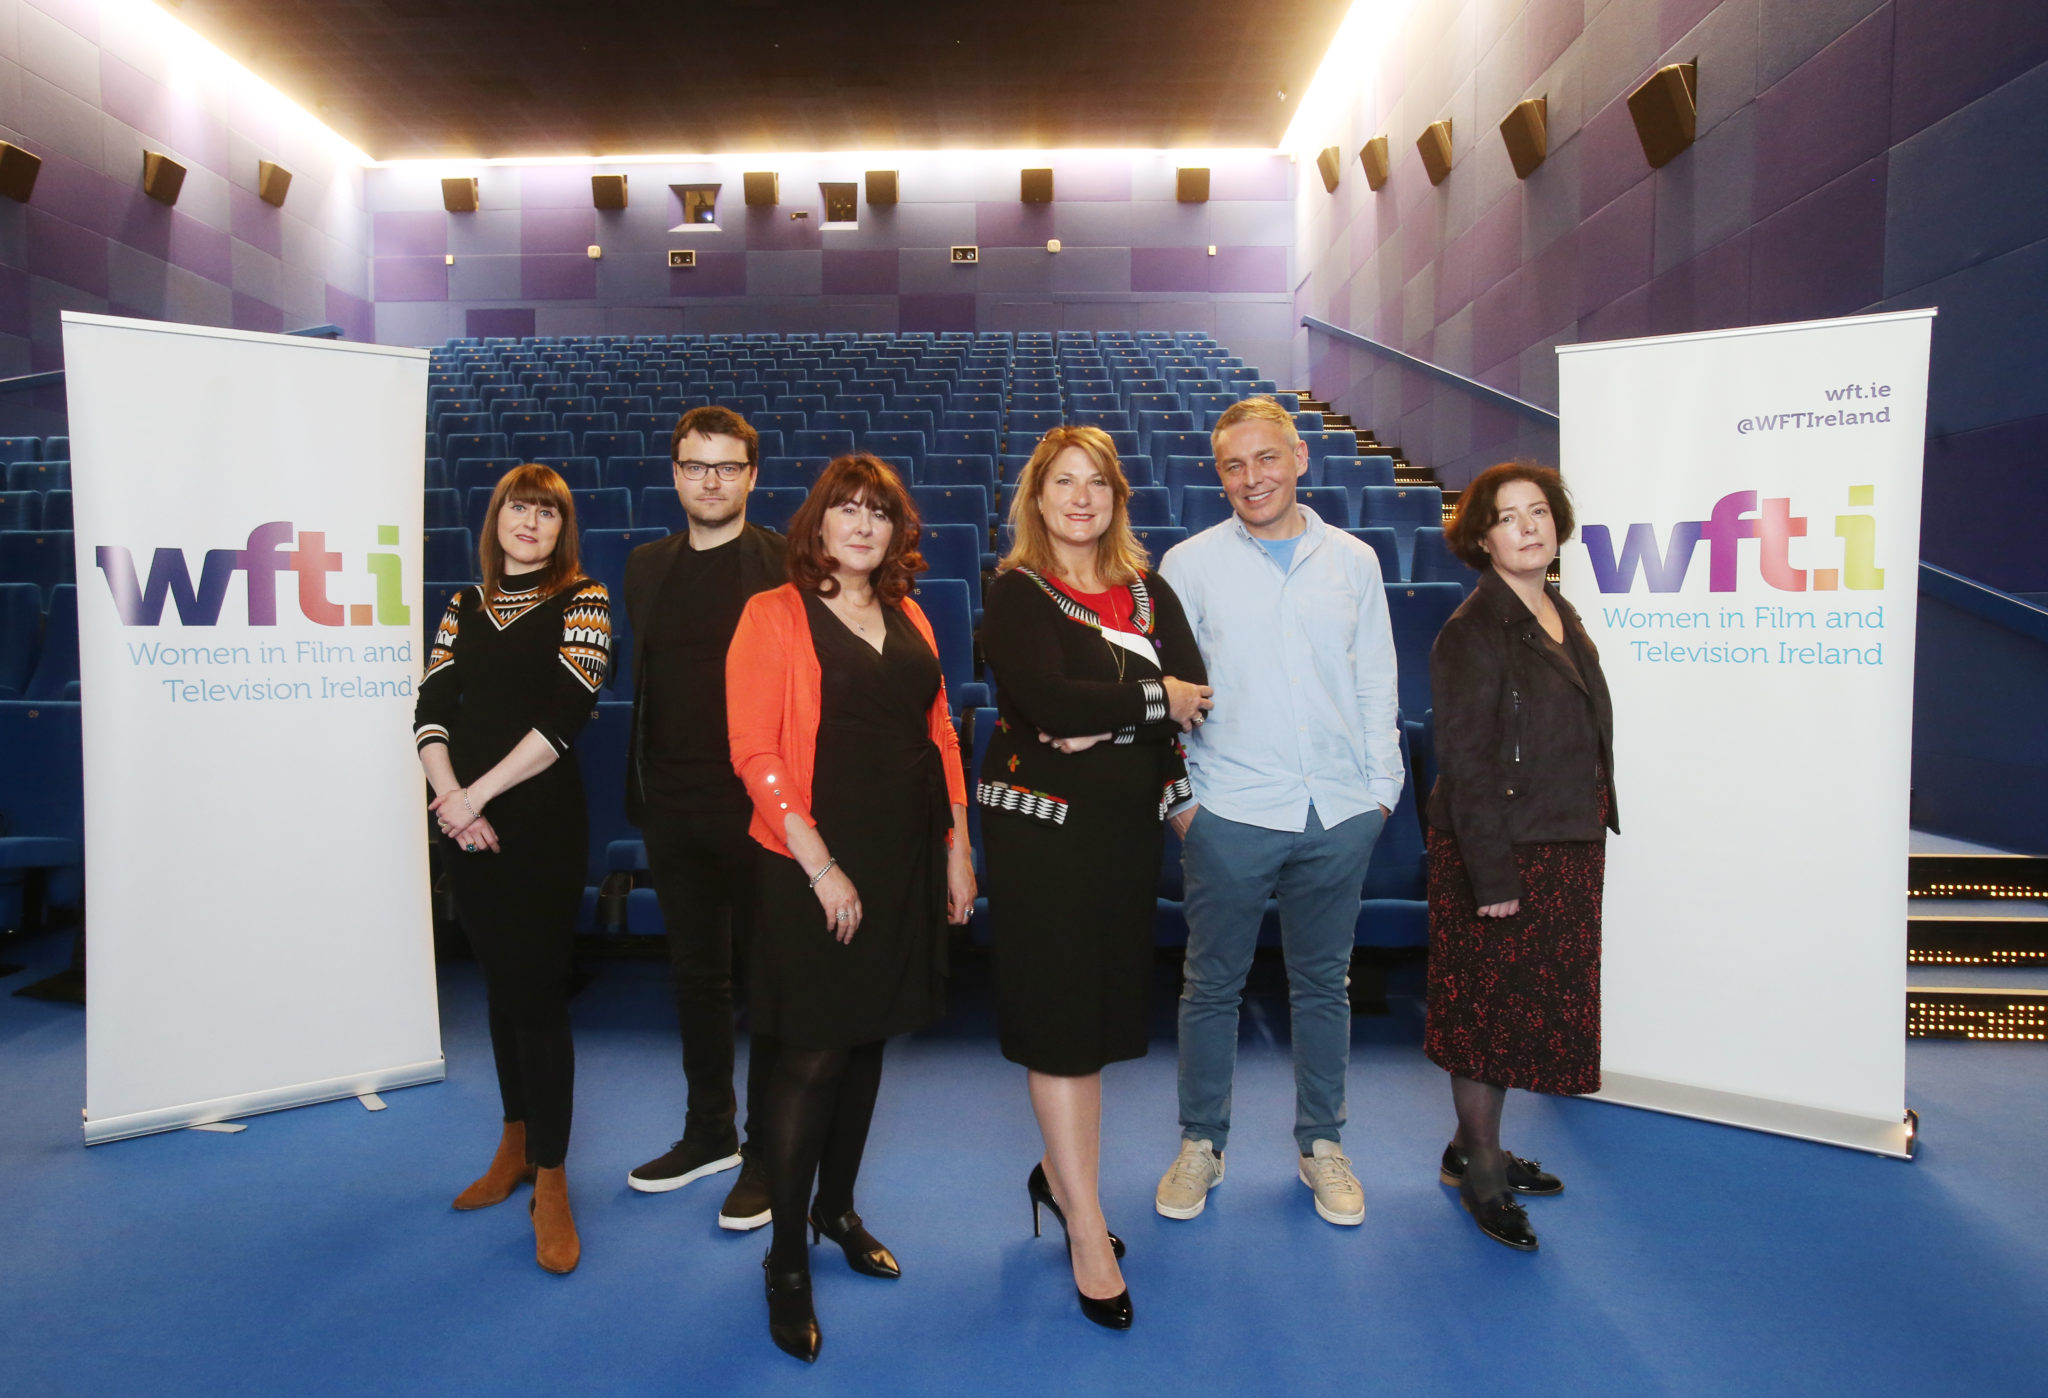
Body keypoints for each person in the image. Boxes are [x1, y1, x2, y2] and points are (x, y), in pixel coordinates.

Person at [724, 455, 974, 1363]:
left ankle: (836, 1210)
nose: (862, 526)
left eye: (878, 513)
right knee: (813, 1055)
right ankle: (785, 1260)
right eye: (847, 511)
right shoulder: (772, 614)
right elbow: (754, 751)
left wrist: (957, 842)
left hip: (903, 854)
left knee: (867, 1040)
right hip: (808, 862)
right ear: (818, 525)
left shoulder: (909, 612)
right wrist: (821, 864)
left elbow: (939, 728)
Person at [977, 426, 1211, 1330]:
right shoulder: (1018, 592)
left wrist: (1109, 716)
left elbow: (1201, 689)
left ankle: (1060, 1176)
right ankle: (1085, 1225)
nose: (1081, 497)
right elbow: (1048, 702)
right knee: (1061, 1023)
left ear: (1117, 499)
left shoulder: (1150, 592)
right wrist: (1148, 704)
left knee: (1099, 1018)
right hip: (1043, 834)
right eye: (1062, 482)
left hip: (1123, 834)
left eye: (1097, 484)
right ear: (1037, 498)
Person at [1155, 396, 1401, 1229]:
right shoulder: (1187, 566)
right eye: (1233, 466)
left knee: (1322, 985)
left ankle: (1322, 1144)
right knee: (1210, 985)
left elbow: (1376, 683)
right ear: (1218, 475)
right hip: (1229, 810)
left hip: (1338, 810)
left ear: (1299, 458)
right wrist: (1184, 803)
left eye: (1266, 459)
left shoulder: (1355, 561)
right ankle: (1201, 1143)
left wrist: (1380, 794)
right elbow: (1164, 696)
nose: (1251, 478)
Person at [414, 463, 611, 1275]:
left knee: (536, 995)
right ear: (495, 520)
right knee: (499, 987)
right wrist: (451, 795)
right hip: (468, 825)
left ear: (563, 529)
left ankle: (555, 1181)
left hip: (538, 823)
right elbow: (431, 707)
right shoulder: (463, 605)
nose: (529, 523)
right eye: (517, 510)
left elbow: (567, 714)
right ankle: (514, 1147)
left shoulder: (586, 599)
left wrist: (477, 795)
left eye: (546, 513)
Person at [1424, 462, 1616, 1253]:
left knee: (1519, 1012)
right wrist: (1492, 874)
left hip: (1563, 840)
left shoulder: (1558, 610)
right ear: (1482, 536)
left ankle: (1475, 1145)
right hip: (1501, 850)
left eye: (1539, 511)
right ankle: (1483, 1174)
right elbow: (1464, 762)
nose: (1529, 526)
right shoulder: (1471, 631)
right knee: (1485, 1015)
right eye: (1509, 517)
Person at [623, 406, 787, 1230]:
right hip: (671, 801)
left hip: (760, 809)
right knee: (695, 978)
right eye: (696, 466)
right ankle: (709, 1133)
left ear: (753, 476)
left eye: (727, 467)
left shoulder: (788, 566)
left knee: (766, 983)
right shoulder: (645, 567)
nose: (711, 481)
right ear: (676, 473)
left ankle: (765, 1155)